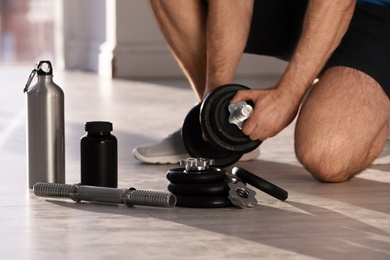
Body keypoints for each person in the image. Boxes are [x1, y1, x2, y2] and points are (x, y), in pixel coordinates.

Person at [133, 0, 390, 183]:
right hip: (299, 6)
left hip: (377, 16)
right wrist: (215, 110)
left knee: (327, 156)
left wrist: (288, 95)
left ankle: (375, 117)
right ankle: (232, 138)